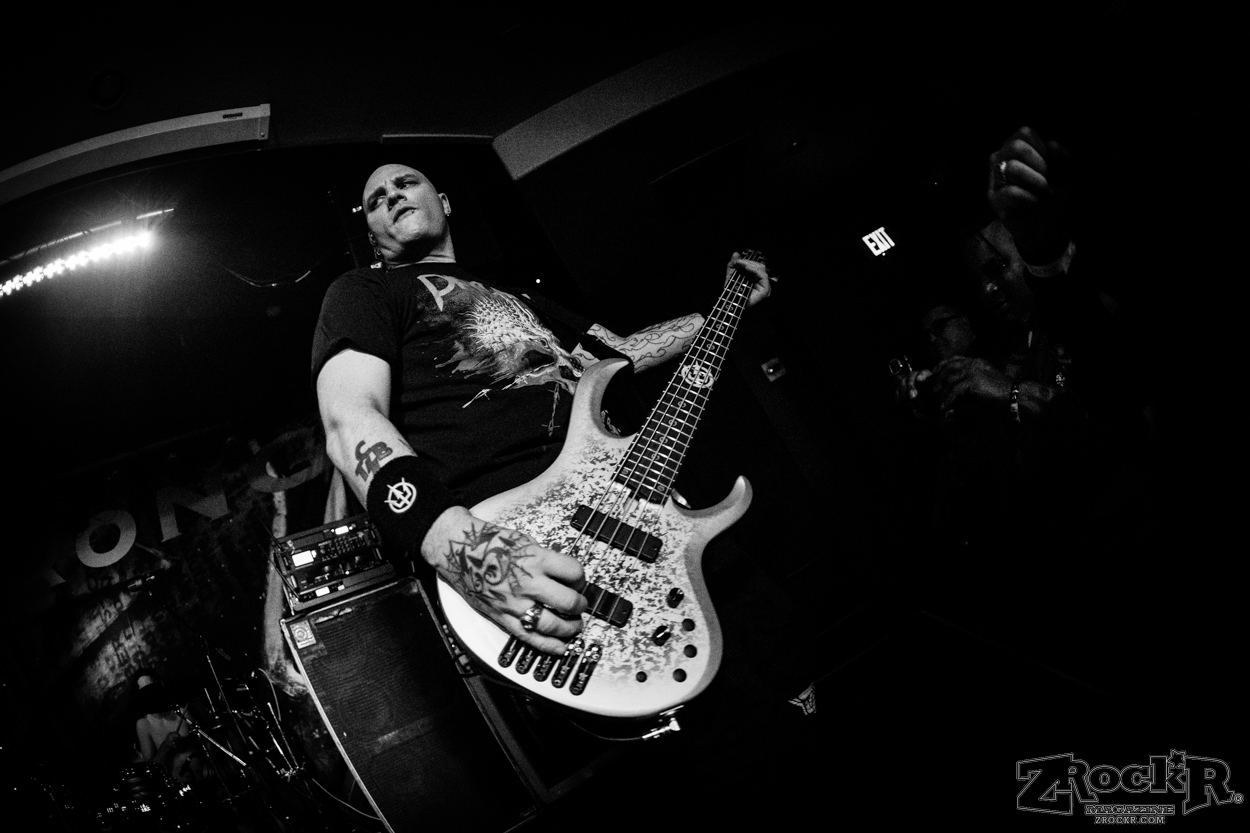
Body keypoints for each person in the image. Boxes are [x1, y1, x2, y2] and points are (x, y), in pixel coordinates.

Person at [311, 163, 773, 657]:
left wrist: (729, 305)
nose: (393, 196)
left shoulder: (524, 297)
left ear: (443, 202)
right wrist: (457, 544)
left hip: (640, 510)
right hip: (527, 544)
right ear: (373, 237)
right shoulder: (364, 291)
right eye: (377, 200)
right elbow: (350, 419)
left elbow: (622, 354)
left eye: (406, 183)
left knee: (768, 638)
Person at [895, 126, 1147, 549]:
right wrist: (941, 410)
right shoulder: (1005, 344)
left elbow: (1114, 418)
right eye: (979, 279)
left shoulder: (1089, 314)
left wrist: (1008, 392)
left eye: (996, 269)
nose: (988, 290)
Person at [132, 669, 206, 785]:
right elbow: (152, 768)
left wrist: (209, 765)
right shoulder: (143, 724)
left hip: (202, 776)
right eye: (145, 692)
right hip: (177, 785)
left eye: (153, 688)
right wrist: (165, 747)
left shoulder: (182, 713)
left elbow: (206, 740)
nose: (151, 694)